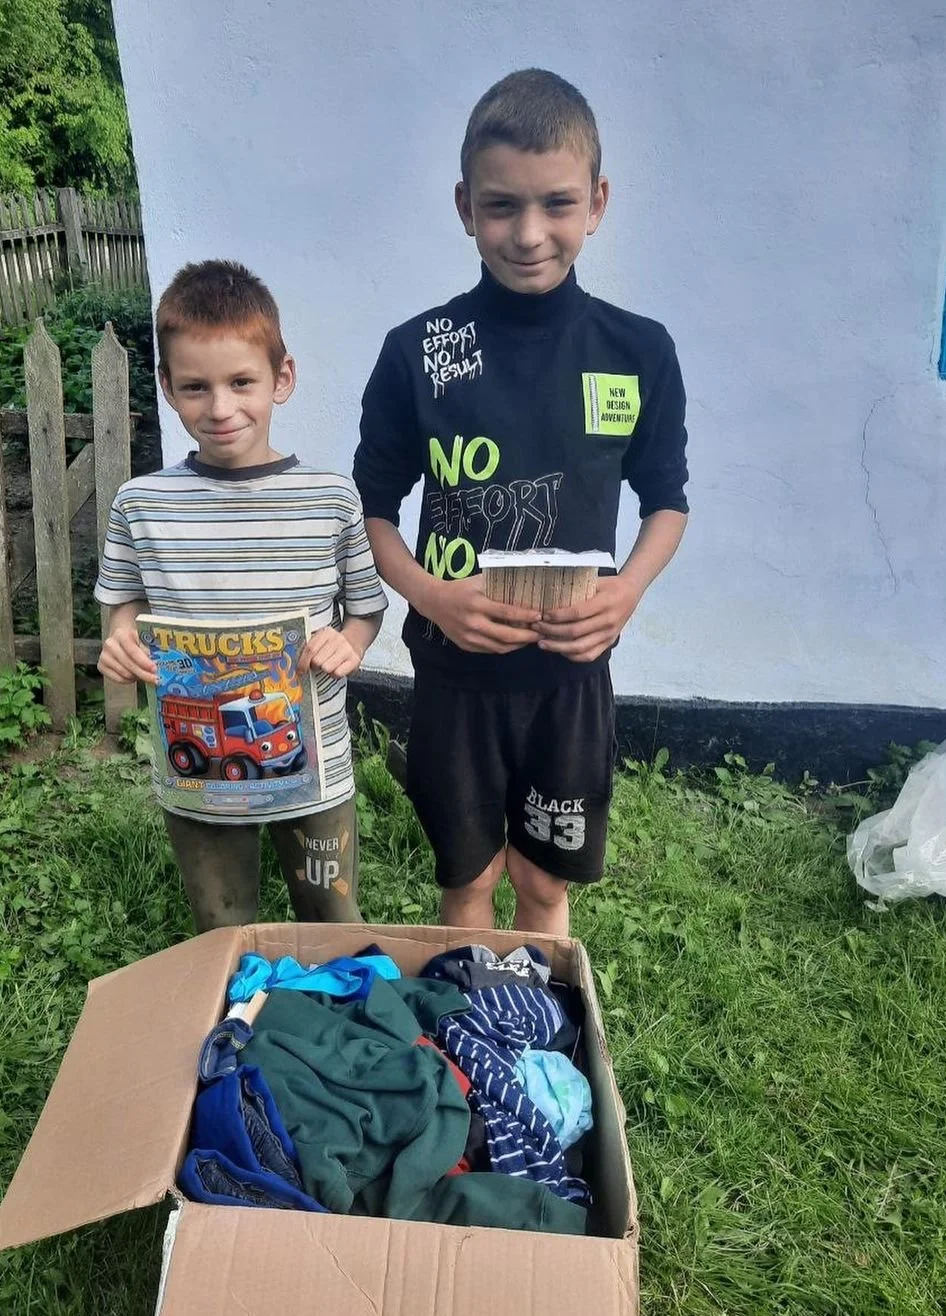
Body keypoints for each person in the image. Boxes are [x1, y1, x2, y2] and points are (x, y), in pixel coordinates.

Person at [353, 69, 689, 937]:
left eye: (557, 204)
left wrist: (627, 591)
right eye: (502, 206)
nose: (530, 234)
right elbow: (374, 512)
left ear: (598, 202)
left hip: (570, 681)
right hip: (454, 681)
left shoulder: (638, 352)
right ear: (465, 204)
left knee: (543, 887)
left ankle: (537, 1035)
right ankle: (472, 1051)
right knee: (467, 884)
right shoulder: (420, 352)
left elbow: (667, 502)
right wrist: (429, 595)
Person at [96, 260, 387, 931]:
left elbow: (367, 608)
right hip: (198, 779)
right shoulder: (141, 504)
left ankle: (336, 1016)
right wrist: (119, 637)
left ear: (282, 378)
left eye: (241, 382)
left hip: (314, 764)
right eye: (196, 387)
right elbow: (123, 603)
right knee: (223, 928)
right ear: (167, 388)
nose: (220, 408)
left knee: (332, 917)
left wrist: (349, 643)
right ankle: (237, 1018)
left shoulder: (330, 497)